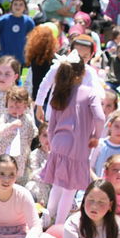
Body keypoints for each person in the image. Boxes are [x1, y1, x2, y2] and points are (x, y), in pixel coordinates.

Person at [43, 61, 105, 227]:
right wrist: (96, 136)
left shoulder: (60, 92)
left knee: (57, 185)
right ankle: (59, 225)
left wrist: (51, 143)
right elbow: (100, 118)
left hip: (58, 142)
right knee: (69, 190)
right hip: (78, 146)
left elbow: (51, 125)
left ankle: (47, 219)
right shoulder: (90, 93)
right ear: (83, 73)